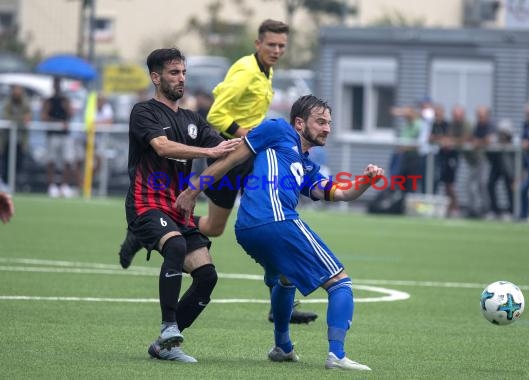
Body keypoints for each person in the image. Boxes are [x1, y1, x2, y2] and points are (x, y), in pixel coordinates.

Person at [117, 19, 319, 324]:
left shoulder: (266, 72)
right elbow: (217, 115)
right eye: (272, 44)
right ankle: (282, 302)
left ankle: (148, 230)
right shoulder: (245, 71)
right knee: (274, 219)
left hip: (241, 156)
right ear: (257, 44)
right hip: (231, 157)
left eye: (282, 46)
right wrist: (250, 137)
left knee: (213, 227)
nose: (277, 50)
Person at [175, 95, 377, 371]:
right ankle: (337, 355)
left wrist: (365, 181)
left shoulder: (306, 165)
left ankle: (282, 347)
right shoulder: (277, 130)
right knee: (340, 282)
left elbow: (340, 193)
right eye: (320, 122)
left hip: (248, 229)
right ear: (298, 123)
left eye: (329, 123)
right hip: (275, 221)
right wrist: (193, 189)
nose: (327, 128)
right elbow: (231, 160)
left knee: (285, 279)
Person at [124, 48, 241, 363]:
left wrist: (253, 140)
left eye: (184, 73)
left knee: (207, 278)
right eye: (174, 73)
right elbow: (161, 147)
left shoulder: (192, 119)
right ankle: (167, 327)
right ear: (156, 77)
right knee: (174, 246)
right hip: (146, 202)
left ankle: (166, 346)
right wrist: (208, 153)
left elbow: (221, 146)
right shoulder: (143, 111)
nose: (181, 79)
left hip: (178, 209)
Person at [41, 77, 75, 198]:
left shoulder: (65, 100)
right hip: (52, 134)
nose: (57, 86)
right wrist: (57, 121)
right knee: (51, 160)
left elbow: (71, 114)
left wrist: (66, 106)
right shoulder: (48, 100)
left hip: (65, 135)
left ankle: (64, 186)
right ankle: (52, 187)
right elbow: (44, 116)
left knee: (68, 160)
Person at [2, 85, 32, 184]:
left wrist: (25, 142)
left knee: (18, 162)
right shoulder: (8, 102)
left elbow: (28, 118)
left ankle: (13, 183)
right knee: (6, 162)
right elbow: (6, 117)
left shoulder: (25, 103)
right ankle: (4, 183)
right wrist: (21, 119)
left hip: (19, 139)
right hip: (7, 139)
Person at [487, 119, 515, 220]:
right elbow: (489, 155)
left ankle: (512, 210)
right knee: (490, 184)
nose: (502, 136)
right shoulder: (495, 140)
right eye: (501, 133)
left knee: (510, 188)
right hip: (497, 167)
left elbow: (518, 159)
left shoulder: (514, 142)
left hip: (509, 169)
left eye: (505, 134)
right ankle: (494, 210)